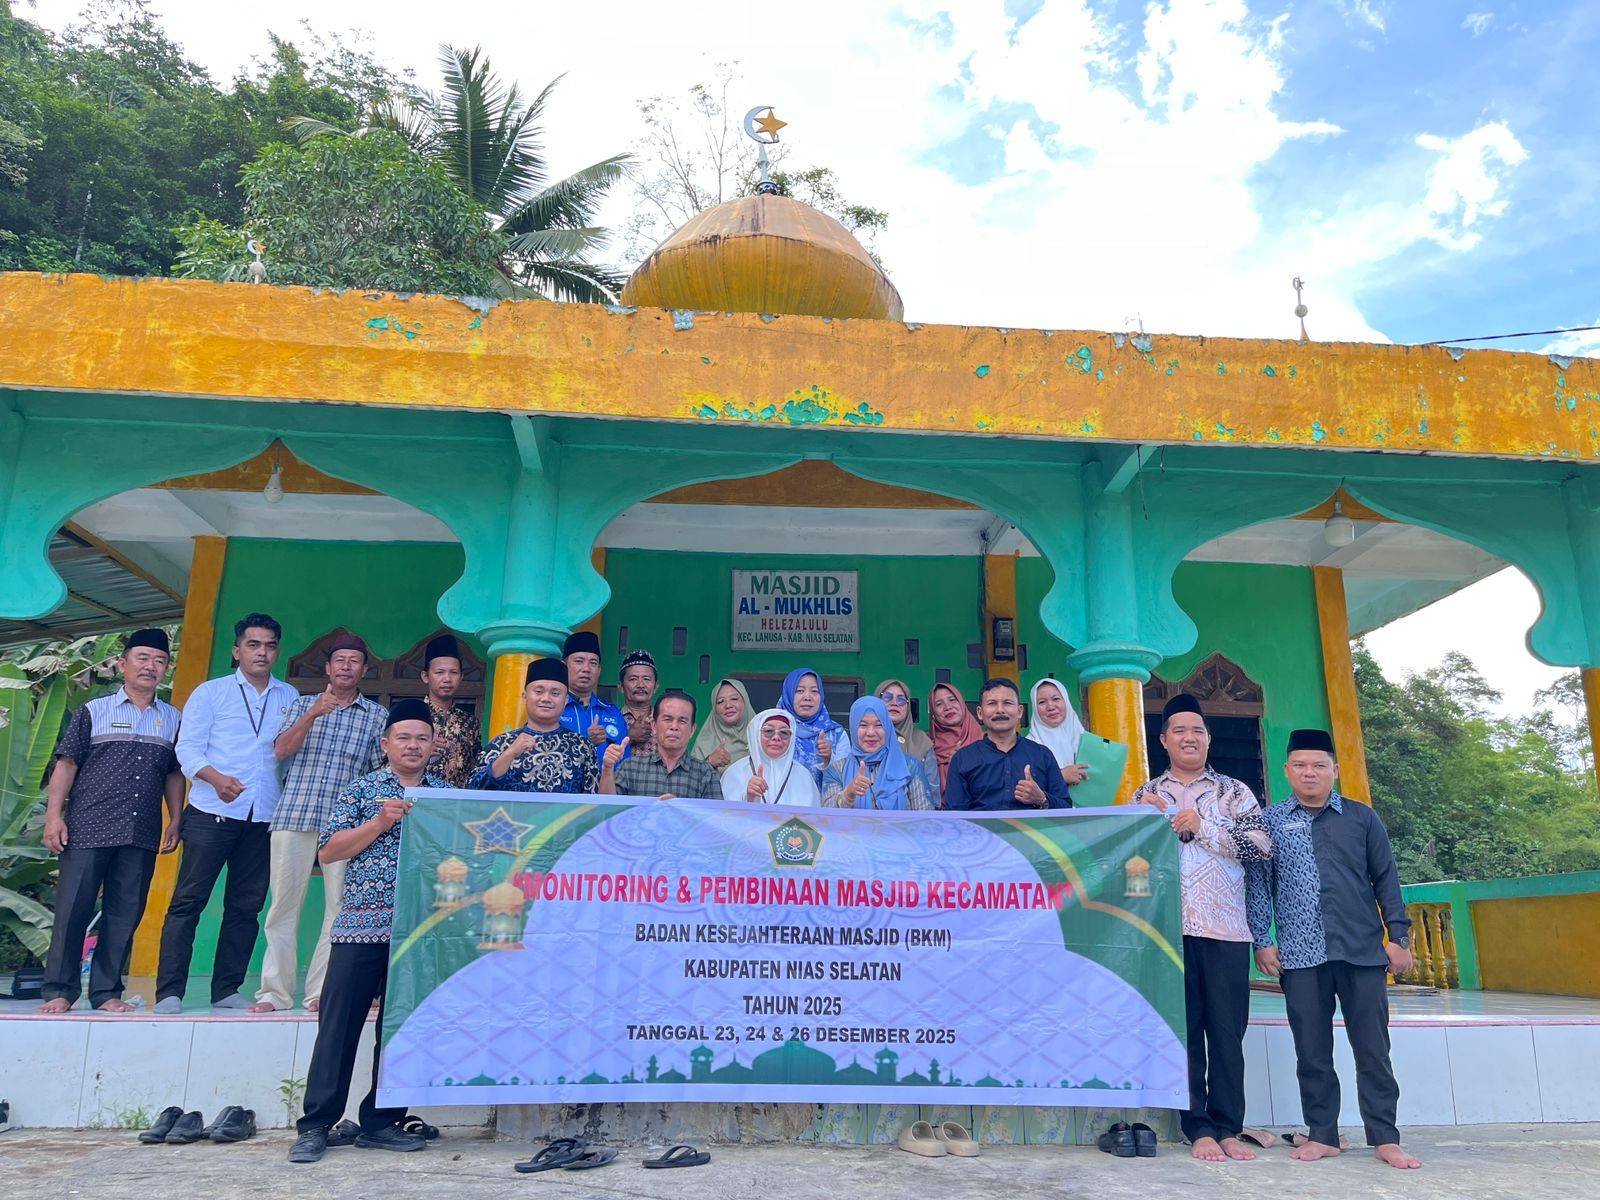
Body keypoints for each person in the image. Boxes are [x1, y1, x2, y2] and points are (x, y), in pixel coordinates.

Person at [1246, 728, 1420, 1171]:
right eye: (1300, 765)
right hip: (1301, 957)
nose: (1309, 773)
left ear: (1334, 771)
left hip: (1362, 952)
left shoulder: (1362, 818)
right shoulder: (1269, 821)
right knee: (1312, 1050)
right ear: (1287, 771)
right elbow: (1258, 886)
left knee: (1373, 1049)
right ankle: (1323, 1134)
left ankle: (1385, 1136)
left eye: (1319, 765)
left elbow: (1387, 881)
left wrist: (1398, 939)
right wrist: (1263, 941)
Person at [287, 699, 444, 1164]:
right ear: (386, 744)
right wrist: (379, 822)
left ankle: (382, 1121)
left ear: (433, 746)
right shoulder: (362, 791)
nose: (413, 745)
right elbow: (329, 852)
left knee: (400, 1031)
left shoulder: (444, 797)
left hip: (418, 934)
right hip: (359, 929)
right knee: (338, 1028)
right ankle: (316, 1124)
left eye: (421, 738)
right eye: (404, 737)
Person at [1129, 693, 1272, 1163]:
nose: (1189, 738)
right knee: (1184, 1031)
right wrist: (1148, 826)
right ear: (1164, 739)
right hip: (1167, 933)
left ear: (1208, 740)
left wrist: (1204, 826)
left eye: (1197, 731)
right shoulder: (1144, 795)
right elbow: (1128, 863)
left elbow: (1261, 849)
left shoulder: (1234, 792)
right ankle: (1198, 1126)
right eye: (1180, 731)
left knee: (1228, 1032)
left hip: (1225, 928)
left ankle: (1229, 1124)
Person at [154, 614, 298, 1015]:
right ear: (237, 651)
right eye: (253, 645)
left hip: (263, 816)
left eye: (269, 645)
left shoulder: (289, 697)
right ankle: (169, 992)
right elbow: (187, 750)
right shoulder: (210, 693)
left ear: (277, 652)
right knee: (188, 902)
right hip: (211, 811)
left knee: (246, 907)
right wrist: (215, 778)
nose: (262, 652)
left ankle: (226, 989)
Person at [38, 629, 182, 1014]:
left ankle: (105, 993)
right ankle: (59, 990)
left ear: (166, 668)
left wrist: (176, 819)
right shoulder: (94, 711)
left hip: (141, 831)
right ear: (123, 664)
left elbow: (173, 774)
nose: (150, 666)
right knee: (72, 910)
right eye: (142, 658)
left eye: (159, 660)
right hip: (87, 826)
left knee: (125, 914)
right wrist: (54, 817)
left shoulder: (172, 719)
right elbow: (66, 765)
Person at [250, 633, 386, 1014]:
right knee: (283, 906)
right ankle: (273, 994)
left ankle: (320, 993)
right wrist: (313, 715)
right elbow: (281, 751)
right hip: (295, 813)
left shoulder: (376, 716)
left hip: (344, 824)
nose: (346, 666)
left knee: (339, 908)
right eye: (339, 660)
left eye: (354, 661)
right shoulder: (301, 705)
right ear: (327, 668)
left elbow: (378, 771)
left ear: (363, 669)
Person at [470, 658, 598, 794]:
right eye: (538, 691)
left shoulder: (583, 747)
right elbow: (473, 791)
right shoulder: (501, 744)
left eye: (555, 693)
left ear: (566, 700)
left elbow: (592, 803)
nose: (546, 698)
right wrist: (509, 754)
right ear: (525, 696)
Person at [944, 678, 1072, 811]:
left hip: (1033, 831)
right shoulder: (963, 759)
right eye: (992, 703)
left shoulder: (1042, 755)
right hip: (980, 832)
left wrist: (1041, 798)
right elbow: (955, 816)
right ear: (980, 713)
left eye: (1007, 703)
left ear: (1020, 711)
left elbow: (1066, 808)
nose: (1000, 710)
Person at [600, 690, 720, 799]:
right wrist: (607, 769)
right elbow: (607, 810)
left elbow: (716, 820)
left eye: (682, 721)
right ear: (654, 725)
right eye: (667, 719)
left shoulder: (706, 774)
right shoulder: (630, 768)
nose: (674, 727)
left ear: (692, 730)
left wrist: (681, 809)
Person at [821, 696, 932, 810]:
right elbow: (826, 818)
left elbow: (925, 817)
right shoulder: (837, 769)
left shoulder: (909, 767)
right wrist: (848, 794)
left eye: (879, 725)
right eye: (863, 725)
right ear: (853, 728)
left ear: (887, 728)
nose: (870, 732)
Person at [721, 709, 820, 807]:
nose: (776, 737)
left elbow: (814, 819)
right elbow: (722, 818)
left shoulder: (803, 776)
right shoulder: (735, 772)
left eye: (784, 732)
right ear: (756, 735)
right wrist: (748, 798)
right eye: (768, 731)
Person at [420, 634, 479, 788]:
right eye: (439, 672)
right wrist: (422, 751)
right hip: (416, 802)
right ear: (426, 676)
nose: (447, 679)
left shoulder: (470, 722)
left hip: (457, 806)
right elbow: (386, 764)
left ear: (461, 677)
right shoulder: (411, 716)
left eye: (453, 673)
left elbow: (475, 770)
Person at [558, 630, 625, 765]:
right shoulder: (553, 708)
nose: (586, 669)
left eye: (593, 663)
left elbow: (624, 764)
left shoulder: (612, 712)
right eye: (579, 661)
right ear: (564, 666)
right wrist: (585, 740)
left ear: (599, 670)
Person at [873, 678, 940, 805]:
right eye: (887, 697)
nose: (894, 703)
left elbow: (933, 790)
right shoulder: (866, 737)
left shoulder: (921, 739)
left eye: (901, 699)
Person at [778, 668, 849, 784]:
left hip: (824, 801)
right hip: (780, 801)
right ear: (788, 694)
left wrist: (829, 758)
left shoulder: (836, 733)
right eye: (800, 691)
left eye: (815, 691)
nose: (807, 697)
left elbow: (847, 779)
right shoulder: (773, 731)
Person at [1025, 678, 1090, 788]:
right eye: (1042, 702)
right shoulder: (1029, 746)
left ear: (1066, 701)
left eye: (1056, 699)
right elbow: (1025, 786)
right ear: (1035, 708)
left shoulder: (1085, 739)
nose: (1050, 707)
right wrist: (1061, 776)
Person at [929, 681, 982, 797]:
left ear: (962, 703)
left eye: (952, 700)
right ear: (933, 712)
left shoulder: (985, 742)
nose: (947, 707)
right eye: (938, 704)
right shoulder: (926, 746)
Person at [690, 677, 752, 776]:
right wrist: (709, 762)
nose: (728, 705)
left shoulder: (763, 736)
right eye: (720, 701)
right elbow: (689, 783)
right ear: (714, 709)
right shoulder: (705, 742)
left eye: (734, 699)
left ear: (745, 701)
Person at [617, 649, 659, 759]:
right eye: (633, 679)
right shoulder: (610, 718)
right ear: (621, 687)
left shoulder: (664, 721)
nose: (640, 684)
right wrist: (628, 736)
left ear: (656, 686)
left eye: (646, 679)